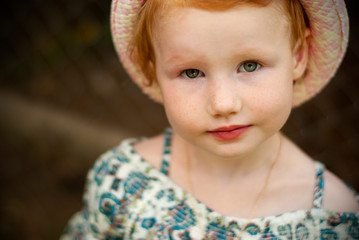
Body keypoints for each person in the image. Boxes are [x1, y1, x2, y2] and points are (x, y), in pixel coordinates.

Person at [61, 0, 359, 239]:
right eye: (191, 72)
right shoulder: (123, 183)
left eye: (250, 65)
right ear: (152, 68)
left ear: (298, 56)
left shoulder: (334, 220)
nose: (223, 104)